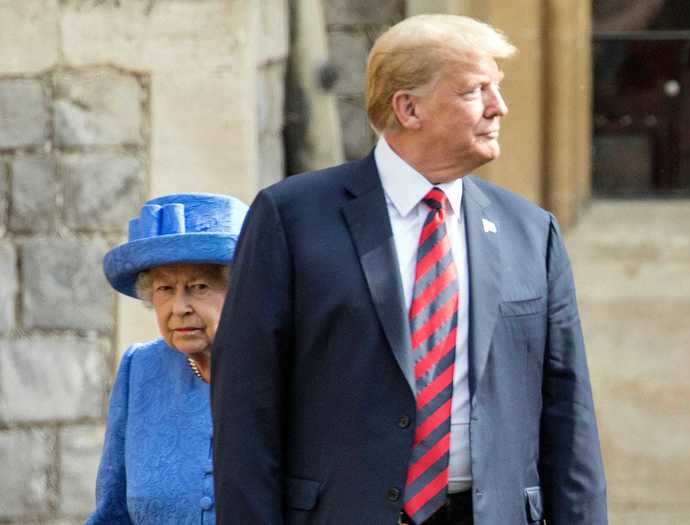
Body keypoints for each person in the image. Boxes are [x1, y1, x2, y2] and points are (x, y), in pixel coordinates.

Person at [211, 14, 607, 525]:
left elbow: (569, 419)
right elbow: (246, 412)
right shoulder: (291, 219)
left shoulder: (532, 232)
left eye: (498, 88)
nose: (498, 107)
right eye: (475, 90)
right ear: (408, 107)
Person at [86, 193, 248, 524]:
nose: (179, 307)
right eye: (164, 290)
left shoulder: (285, 368)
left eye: (200, 286)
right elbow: (112, 514)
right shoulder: (140, 369)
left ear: (241, 289)